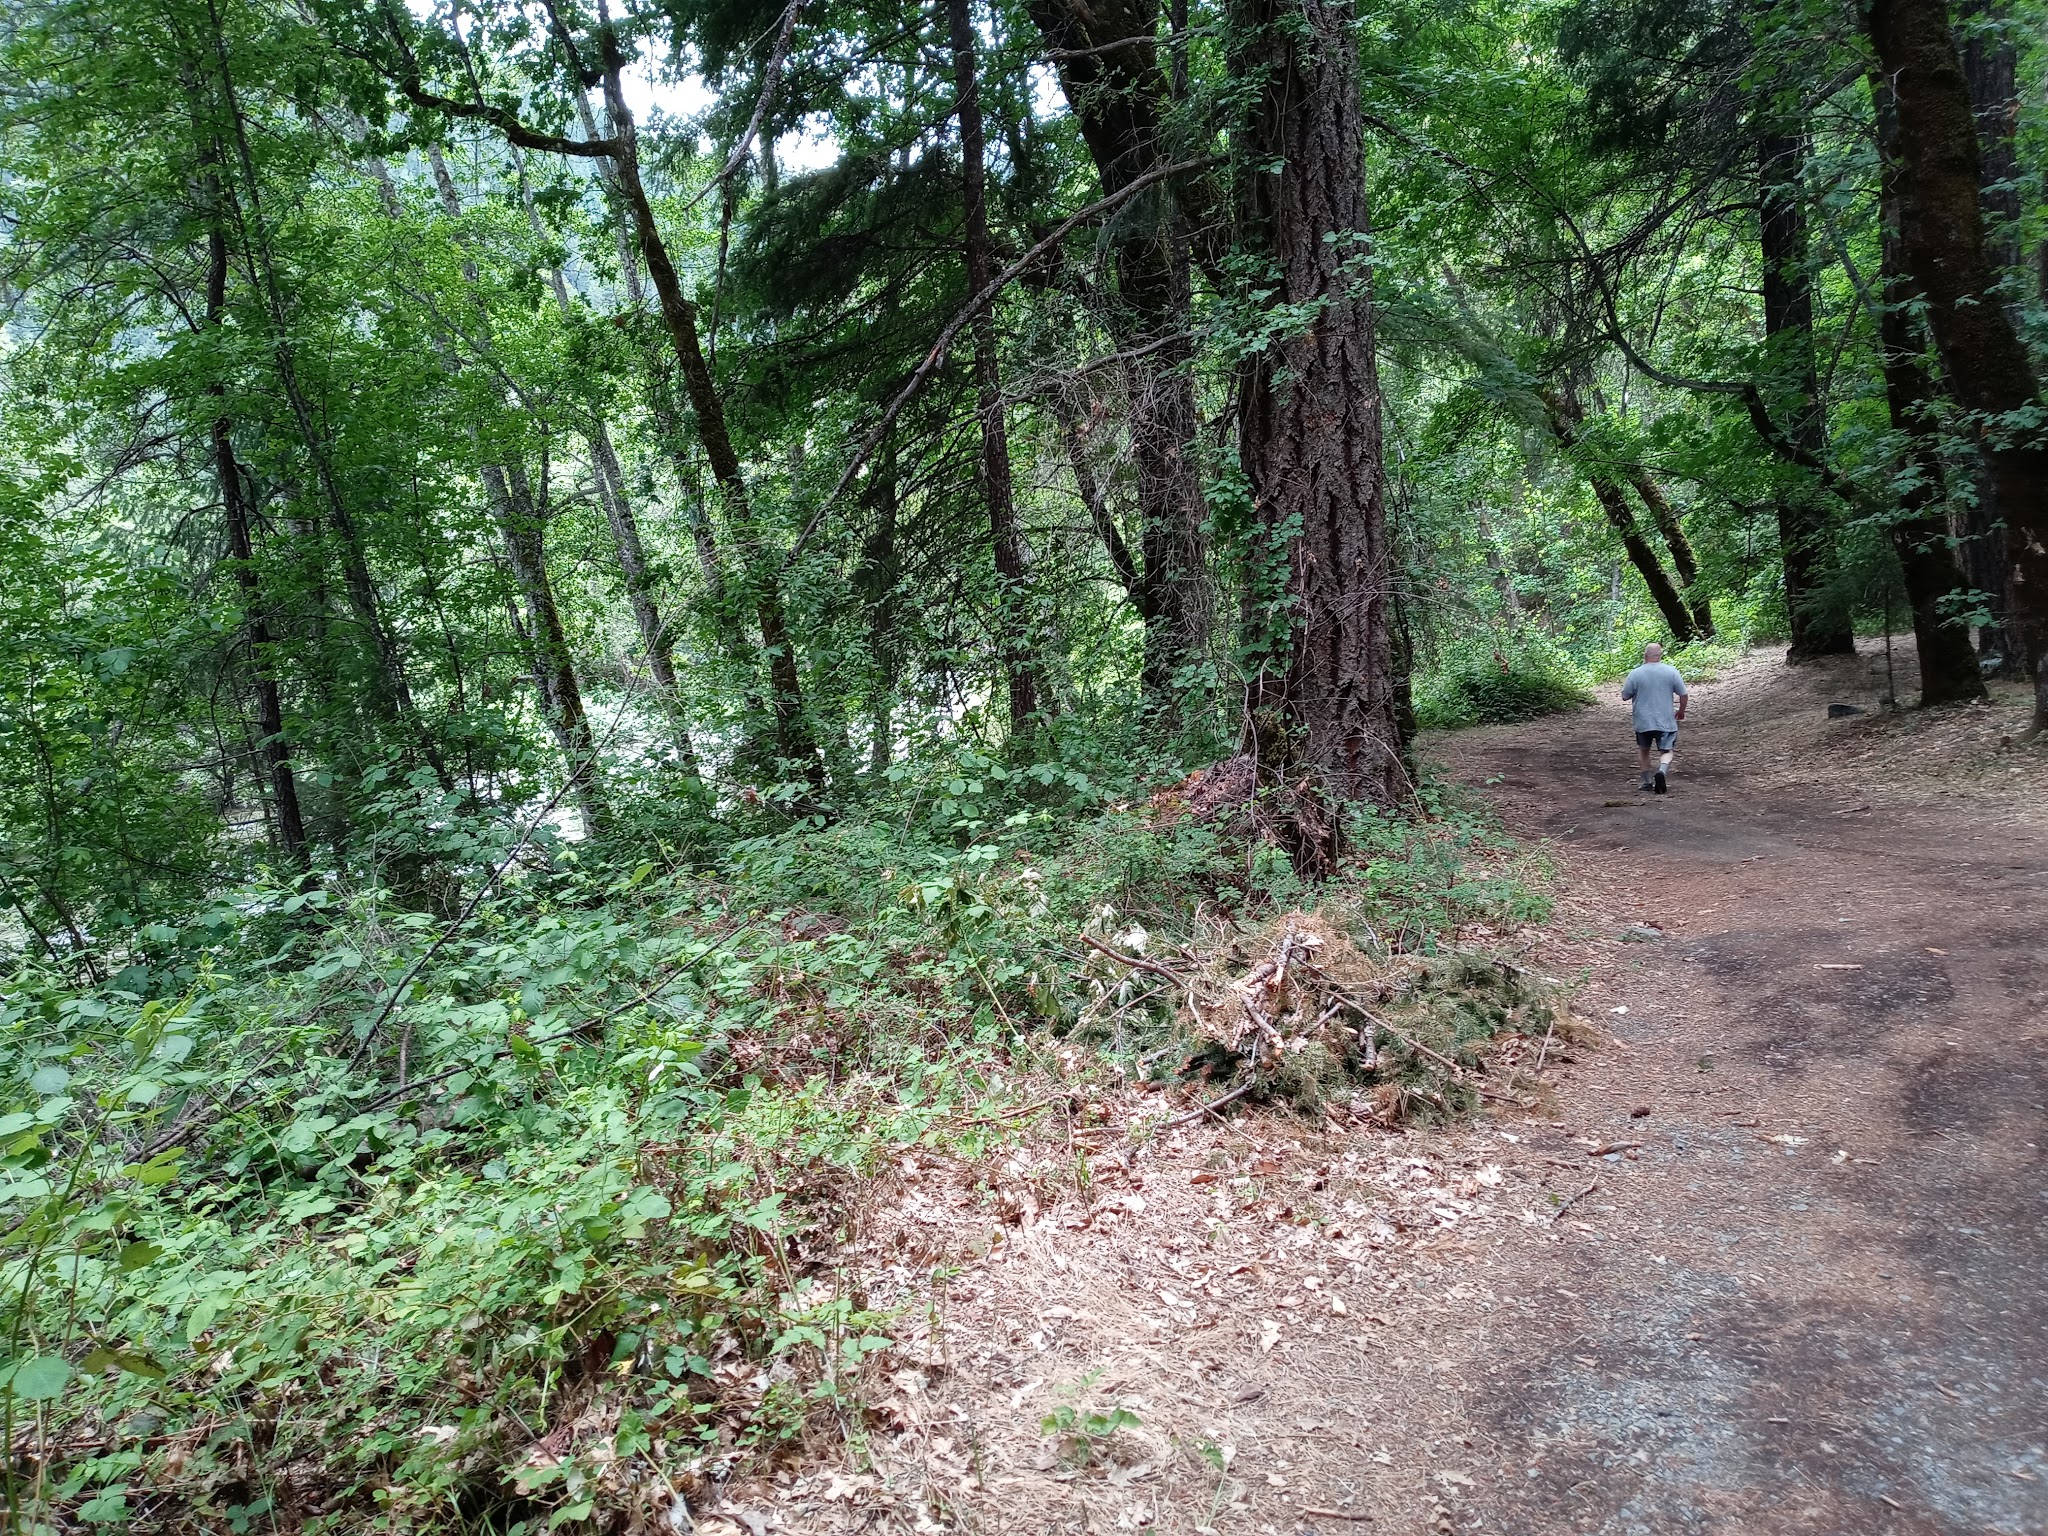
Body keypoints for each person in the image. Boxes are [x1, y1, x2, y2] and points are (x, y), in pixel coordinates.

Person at [1621, 643, 1688, 794]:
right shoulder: (1671, 672)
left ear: (1645, 656)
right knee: (1667, 751)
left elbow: (1625, 695)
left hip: (1643, 720)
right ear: (1660, 656)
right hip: (1665, 720)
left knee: (1644, 750)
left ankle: (1646, 782)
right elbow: (1683, 694)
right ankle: (1662, 771)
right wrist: (1681, 711)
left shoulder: (1635, 673)